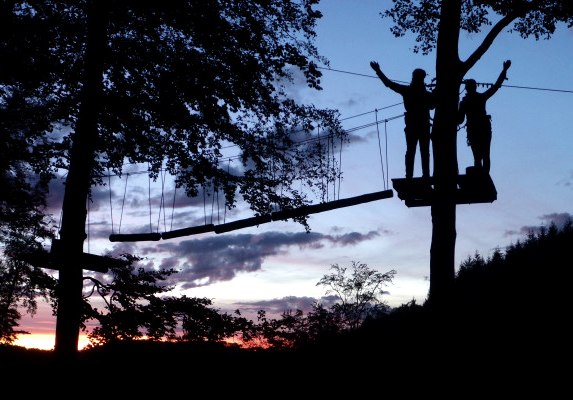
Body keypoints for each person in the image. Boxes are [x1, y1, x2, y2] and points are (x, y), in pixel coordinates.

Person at [370, 61, 435, 179]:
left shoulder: (409, 91)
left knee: (412, 151)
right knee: (423, 152)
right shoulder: (425, 94)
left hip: (412, 125)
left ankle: (410, 176)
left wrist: (378, 71)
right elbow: (432, 105)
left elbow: (389, 84)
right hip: (422, 125)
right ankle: (424, 175)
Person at [458, 60, 511, 174]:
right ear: (475, 87)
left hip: (475, 129)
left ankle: (482, 176)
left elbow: (460, 119)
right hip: (482, 128)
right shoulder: (479, 98)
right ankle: (484, 176)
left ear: (467, 88)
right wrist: (504, 70)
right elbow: (496, 87)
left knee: (478, 156)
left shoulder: (465, 102)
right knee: (485, 154)